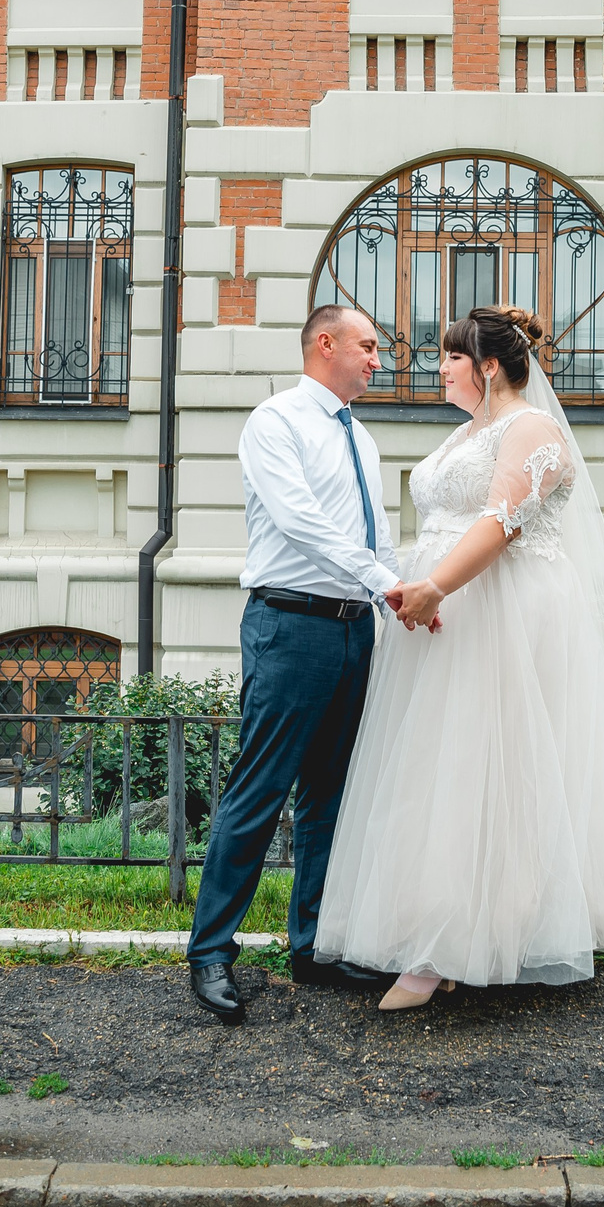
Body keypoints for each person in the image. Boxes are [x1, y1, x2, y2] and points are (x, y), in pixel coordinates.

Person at [315, 305, 604, 1010]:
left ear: (485, 366)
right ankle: (442, 934)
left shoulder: (532, 430)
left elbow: (500, 523)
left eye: (450, 357)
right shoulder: (465, 434)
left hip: (503, 613)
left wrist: (433, 585)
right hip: (449, 616)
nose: (439, 368)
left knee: (499, 771)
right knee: (440, 771)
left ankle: (470, 941)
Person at [185, 303, 422, 1025]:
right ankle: (211, 951)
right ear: (326, 344)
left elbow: (376, 536)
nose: (378, 360)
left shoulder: (366, 439)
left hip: (355, 631)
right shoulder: (275, 422)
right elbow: (299, 521)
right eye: (368, 346)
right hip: (289, 623)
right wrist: (383, 581)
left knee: (330, 796)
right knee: (258, 791)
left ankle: (311, 944)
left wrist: (401, 601)